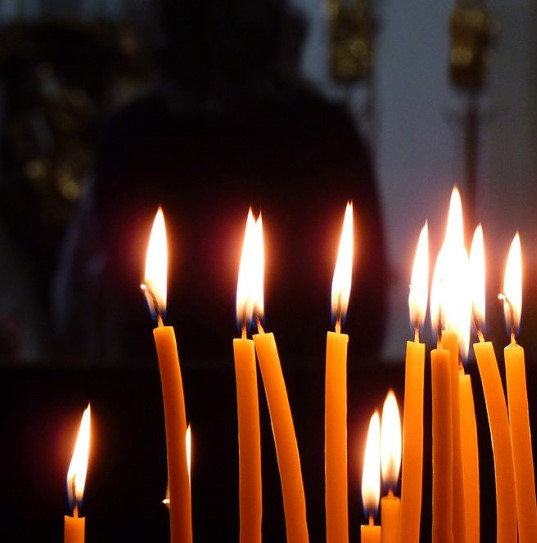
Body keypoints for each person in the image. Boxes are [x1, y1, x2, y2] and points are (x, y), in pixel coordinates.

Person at [52, 0, 387, 363]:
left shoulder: (134, 136)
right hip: (292, 391)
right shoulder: (327, 134)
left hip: (170, 391)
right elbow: (368, 306)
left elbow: (82, 304)